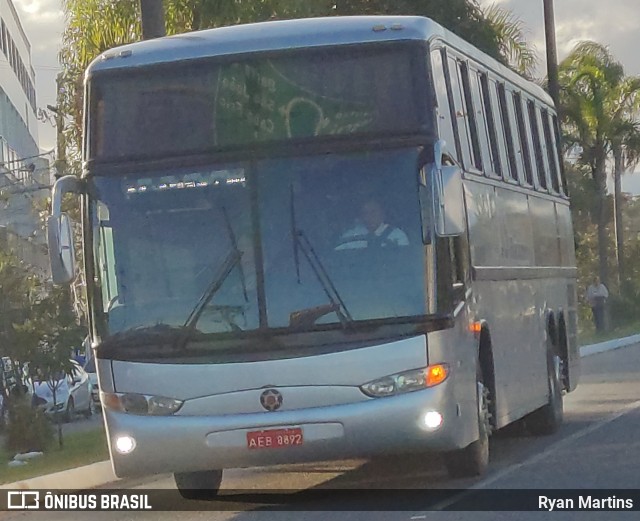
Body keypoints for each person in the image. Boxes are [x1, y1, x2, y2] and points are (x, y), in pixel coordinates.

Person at [335, 198, 409, 250]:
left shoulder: (397, 236)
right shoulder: (349, 237)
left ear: (382, 213)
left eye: (373, 212)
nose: (369, 216)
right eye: (365, 213)